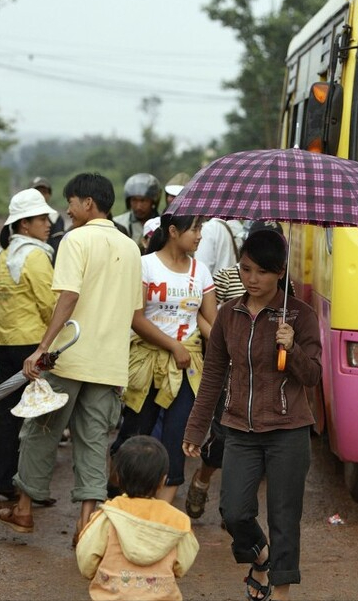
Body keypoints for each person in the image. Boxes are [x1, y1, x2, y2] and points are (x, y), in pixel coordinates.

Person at [0, 173, 141, 545]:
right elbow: (133, 311)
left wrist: (42, 347)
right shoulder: (130, 247)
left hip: (70, 356)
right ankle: (85, 526)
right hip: (109, 363)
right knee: (94, 441)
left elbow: (68, 297)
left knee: (39, 429)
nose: (66, 210)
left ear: (88, 204)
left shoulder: (75, 240)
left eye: (71, 202)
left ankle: (25, 510)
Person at [182, 229, 322, 601]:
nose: (252, 279)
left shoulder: (300, 316)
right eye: (245, 269)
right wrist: (196, 428)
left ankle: (281, 591)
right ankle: (261, 558)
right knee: (233, 510)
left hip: (288, 430)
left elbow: (313, 376)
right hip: (239, 429)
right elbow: (212, 375)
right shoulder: (229, 314)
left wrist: (291, 349)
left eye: (262, 271)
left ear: (279, 272)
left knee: (283, 515)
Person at [113, 213, 216, 505]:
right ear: (173, 231)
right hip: (146, 364)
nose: (199, 236)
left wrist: (223, 348)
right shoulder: (146, 266)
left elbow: (210, 321)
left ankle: (159, 514)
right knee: (135, 434)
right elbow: (135, 318)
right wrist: (173, 345)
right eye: (194, 229)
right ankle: (122, 500)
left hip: (186, 368)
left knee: (177, 439)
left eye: (201, 229)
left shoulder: (201, 272)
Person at [182, 220, 280, 522]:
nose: (255, 277)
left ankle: (236, 508)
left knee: (253, 443)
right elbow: (210, 315)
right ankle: (203, 478)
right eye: (250, 266)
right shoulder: (225, 277)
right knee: (222, 437)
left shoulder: (283, 287)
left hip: (263, 376)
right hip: (229, 372)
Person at [0, 188, 58, 503]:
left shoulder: (4, 255)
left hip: (5, 343)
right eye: (41, 218)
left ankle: (0, 479)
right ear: (24, 224)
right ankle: (29, 485)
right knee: (38, 417)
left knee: (8, 414)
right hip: (32, 346)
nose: (47, 223)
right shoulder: (35, 255)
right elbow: (50, 304)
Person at [75, 435, 200, 601]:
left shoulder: (108, 516)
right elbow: (183, 563)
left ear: (118, 478)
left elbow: (86, 561)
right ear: (162, 481)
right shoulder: (177, 521)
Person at [113, 172, 161, 250]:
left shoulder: (162, 223)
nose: (138, 206)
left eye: (143, 201)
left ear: (153, 201)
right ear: (129, 201)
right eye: (134, 200)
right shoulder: (118, 223)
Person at [29, 175, 67, 253]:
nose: (41, 195)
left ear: (50, 195)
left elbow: (56, 247)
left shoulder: (55, 217)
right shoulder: (21, 215)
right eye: (37, 191)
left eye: (44, 192)